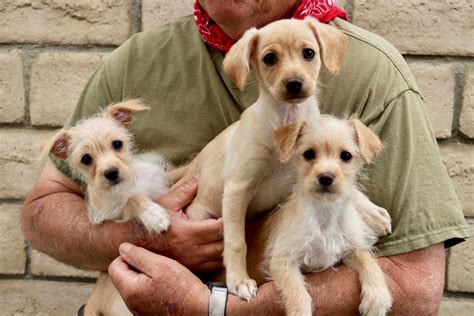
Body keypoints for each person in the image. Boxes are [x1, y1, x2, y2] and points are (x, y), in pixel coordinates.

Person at [21, 0, 469, 314]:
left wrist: (212, 307)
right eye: (271, 60)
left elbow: (416, 290)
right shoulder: (132, 62)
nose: (291, 73)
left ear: (322, 53)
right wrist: (145, 237)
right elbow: (44, 208)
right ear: (252, 63)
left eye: (306, 56)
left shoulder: (375, 77)